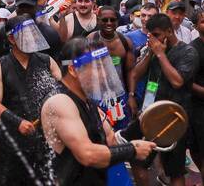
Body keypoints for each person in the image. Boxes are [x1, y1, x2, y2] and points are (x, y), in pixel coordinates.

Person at [41, 37, 156, 185]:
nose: (103, 74)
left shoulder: (87, 100)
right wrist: (132, 150)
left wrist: (144, 123)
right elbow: (87, 154)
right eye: (96, 67)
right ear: (73, 70)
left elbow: (111, 140)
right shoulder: (60, 102)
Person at [0, 14, 62, 185]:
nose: (30, 37)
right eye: (25, 33)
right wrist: (17, 122)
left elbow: (61, 89)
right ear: (12, 38)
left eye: (32, 32)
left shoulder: (47, 61)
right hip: (10, 141)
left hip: (43, 140)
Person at [127, 14, 199, 186]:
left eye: (157, 35)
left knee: (175, 170)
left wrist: (160, 54)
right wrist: (151, 52)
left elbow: (177, 81)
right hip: (150, 114)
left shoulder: (188, 52)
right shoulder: (154, 50)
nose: (153, 39)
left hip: (173, 118)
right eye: (150, 35)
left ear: (169, 31)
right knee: (138, 161)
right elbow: (136, 73)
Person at [86, 6, 135, 128]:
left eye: (112, 20)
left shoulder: (125, 41)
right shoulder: (90, 40)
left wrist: (131, 95)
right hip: (97, 97)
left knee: (120, 132)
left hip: (120, 96)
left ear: (117, 21)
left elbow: (130, 71)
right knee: (100, 132)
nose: (109, 23)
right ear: (98, 20)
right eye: (105, 20)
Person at [189, 8, 204, 183]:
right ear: (195, 25)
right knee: (199, 150)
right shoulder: (193, 49)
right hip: (199, 109)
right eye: (203, 21)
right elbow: (188, 82)